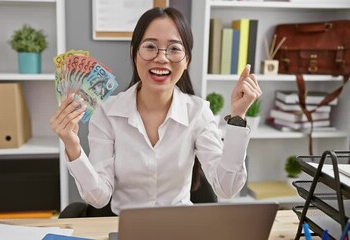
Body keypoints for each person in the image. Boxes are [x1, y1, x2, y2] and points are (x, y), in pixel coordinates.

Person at [50, 7, 262, 215]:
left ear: (187, 60)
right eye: (150, 46)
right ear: (134, 53)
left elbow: (227, 188)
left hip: (179, 227)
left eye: (174, 49)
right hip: (124, 226)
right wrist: (72, 145)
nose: (161, 58)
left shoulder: (198, 112)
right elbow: (99, 198)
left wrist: (238, 118)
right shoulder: (107, 113)